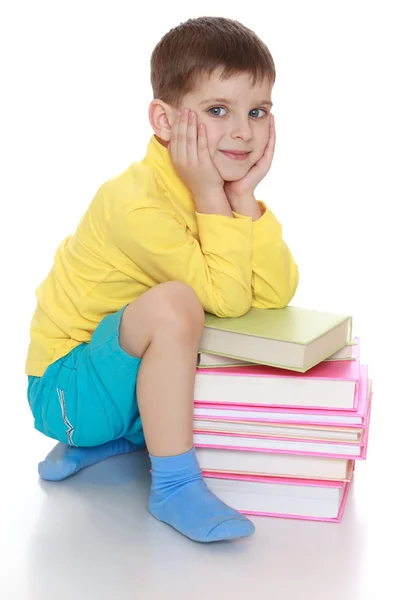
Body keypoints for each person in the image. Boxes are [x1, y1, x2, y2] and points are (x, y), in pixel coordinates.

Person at [26, 16, 299, 543]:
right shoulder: (138, 205)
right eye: (218, 110)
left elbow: (273, 294)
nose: (243, 131)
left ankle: (123, 439)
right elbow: (225, 298)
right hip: (66, 392)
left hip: (120, 397)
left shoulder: (211, 192)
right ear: (165, 121)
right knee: (177, 304)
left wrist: (244, 199)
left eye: (257, 111)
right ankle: (174, 485)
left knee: (189, 312)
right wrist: (216, 199)